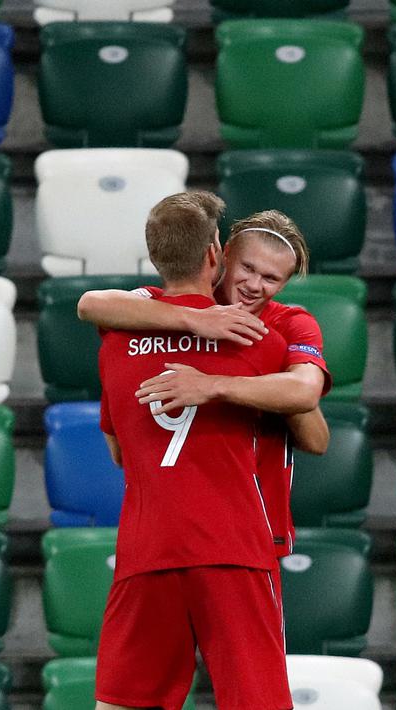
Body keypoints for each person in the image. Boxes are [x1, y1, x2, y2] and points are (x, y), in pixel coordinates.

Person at [94, 192, 295, 710]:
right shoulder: (257, 338)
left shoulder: (116, 338)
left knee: (124, 703)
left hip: (147, 548)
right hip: (232, 547)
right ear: (215, 255)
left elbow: (117, 447)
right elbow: (311, 427)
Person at [78, 209, 331, 560]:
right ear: (223, 253)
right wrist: (196, 319)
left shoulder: (290, 325)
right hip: (169, 528)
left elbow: (313, 425)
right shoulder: (164, 306)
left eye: (271, 278)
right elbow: (90, 305)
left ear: (285, 284)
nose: (255, 285)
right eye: (248, 268)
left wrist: (217, 383)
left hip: (255, 525)